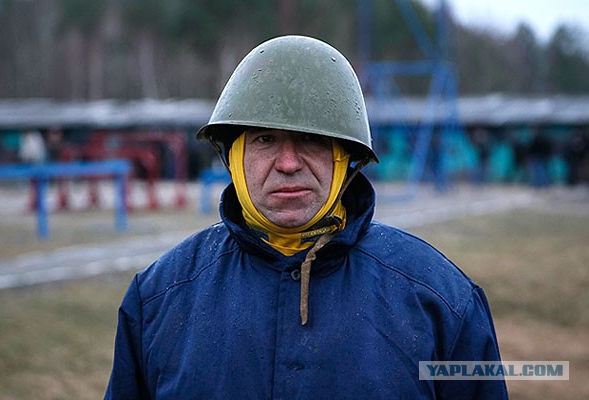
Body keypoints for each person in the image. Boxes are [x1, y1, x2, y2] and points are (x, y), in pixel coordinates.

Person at [105, 35, 508, 399]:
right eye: (265, 139)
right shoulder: (159, 298)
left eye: (311, 140)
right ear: (232, 157)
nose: (287, 163)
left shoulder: (440, 300)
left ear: (346, 160)